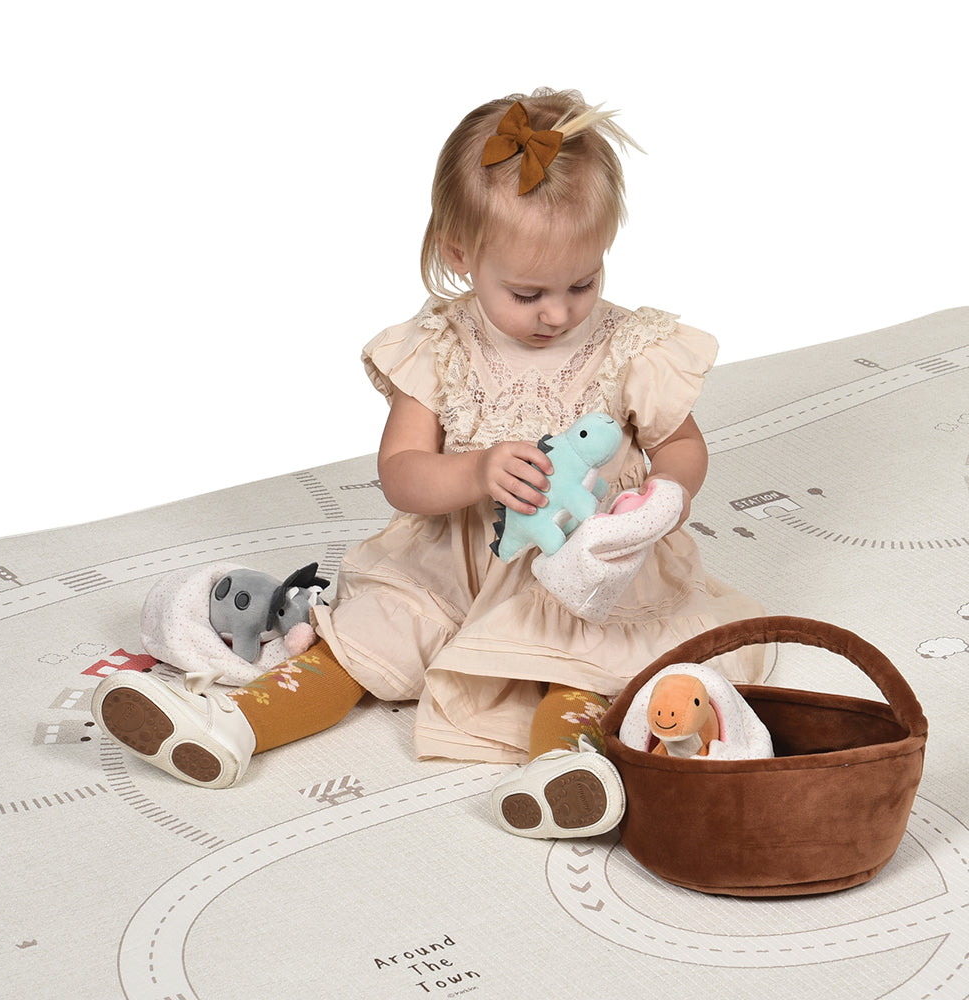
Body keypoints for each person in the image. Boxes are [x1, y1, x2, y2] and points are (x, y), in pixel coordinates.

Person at [92, 88, 766, 838]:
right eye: (527, 292)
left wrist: (663, 499)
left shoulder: (633, 345)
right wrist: (476, 472)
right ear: (459, 254)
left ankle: (567, 769)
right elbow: (403, 473)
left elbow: (681, 446)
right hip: (450, 563)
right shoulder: (442, 347)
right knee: (359, 644)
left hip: (585, 565)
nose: (558, 312)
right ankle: (230, 725)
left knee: (583, 669)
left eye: (584, 282)